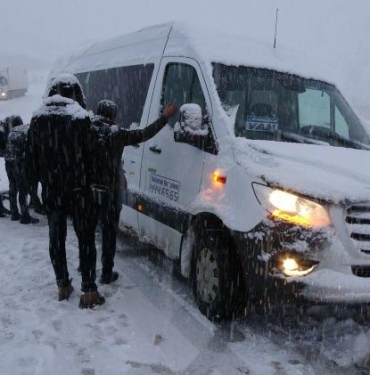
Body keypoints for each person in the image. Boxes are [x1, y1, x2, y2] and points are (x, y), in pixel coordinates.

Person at [26, 73, 104, 309]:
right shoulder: (81, 118)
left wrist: (34, 190)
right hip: (80, 191)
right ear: (75, 94)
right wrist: (94, 185)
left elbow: (31, 159)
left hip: (52, 191)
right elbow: (94, 158)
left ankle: (62, 285)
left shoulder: (38, 119)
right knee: (86, 239)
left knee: (56, 238)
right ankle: (89, 290)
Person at [90, 99, 178, 284]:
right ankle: (106, 272)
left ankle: (88, 269)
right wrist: (164, 118)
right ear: (113, 115)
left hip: (90, 191)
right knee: (109, 233)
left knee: (89, 232)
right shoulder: (117, 133)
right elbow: (144, 134)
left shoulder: (86, 131)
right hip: (111, 191)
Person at [4, 116, 39, 224]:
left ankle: (14, 213)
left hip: (9, 162)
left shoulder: (10, 133)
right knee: (22, 189)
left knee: (13, 188)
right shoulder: (25, 130)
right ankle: (25, 215)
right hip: (19, 163)